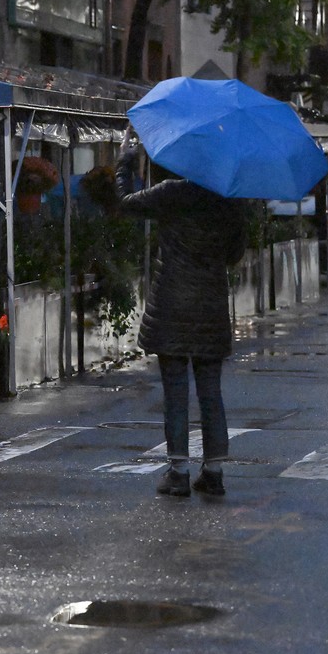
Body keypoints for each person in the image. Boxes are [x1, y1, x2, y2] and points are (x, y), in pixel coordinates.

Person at [116, 126, 246, 497]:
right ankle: (214, 472)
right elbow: (235, 254)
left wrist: (125, 160)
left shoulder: (172, 193)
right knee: (210, 391)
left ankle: (177, 473)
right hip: (210, 307)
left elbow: (125, 202)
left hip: (171, 304)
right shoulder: (229, 200)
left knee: (175, 392)